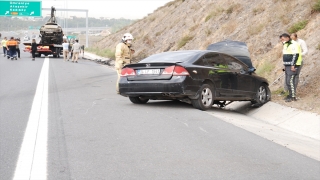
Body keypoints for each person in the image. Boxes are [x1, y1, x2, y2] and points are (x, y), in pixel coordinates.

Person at [279, 33, 301, 102]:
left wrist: (293, 65)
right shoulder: (285, 44)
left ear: (287, 38)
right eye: (281, 39)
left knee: (290, 81)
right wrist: (285, 66)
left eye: (282, 39)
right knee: (287, 81)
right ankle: (290, 95)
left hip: (293, 65)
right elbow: (286, 56)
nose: (281, 41)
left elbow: (295, 55)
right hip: (287, 65)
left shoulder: (293, 44)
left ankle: (293, 97)